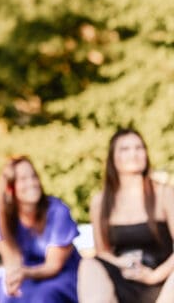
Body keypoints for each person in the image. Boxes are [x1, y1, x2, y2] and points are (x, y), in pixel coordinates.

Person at [78, 128, 174, 303]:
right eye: (125, 149)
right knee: (89, 266)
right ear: (113, 158)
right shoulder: (100, 202)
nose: (134, 154)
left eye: (139, 148)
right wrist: (124, 264)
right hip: (124, 277)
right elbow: (103, 252)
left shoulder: (165, 194)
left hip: (164, 278)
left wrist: (154, 276)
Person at [0, 156, 80, 302]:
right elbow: (12, 261)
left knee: (43, 296)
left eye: (33, 176)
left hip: (60, 276)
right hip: (26, 275)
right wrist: (14, 279)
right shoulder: (0, 217)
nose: (32, 183)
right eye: (23, 179)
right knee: (7, 293)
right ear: (10, 188)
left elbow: (53, 267)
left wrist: (24, 273)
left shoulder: (58, 212)